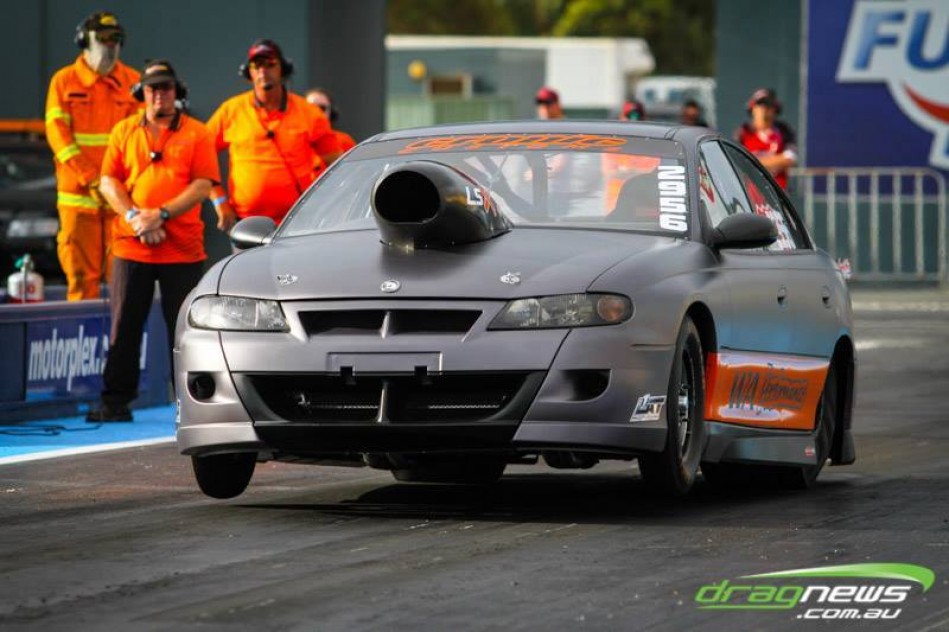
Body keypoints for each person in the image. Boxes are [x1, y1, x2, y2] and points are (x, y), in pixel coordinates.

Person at [87, 60, 221, 422]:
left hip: (181, 248)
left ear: (177, 92)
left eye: (166, 87)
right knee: (124, 327)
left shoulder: (197, 132)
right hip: (133, 244)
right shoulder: (124, 130)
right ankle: (115, 402)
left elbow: (202, 185)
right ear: (141, 93)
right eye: (152, 88)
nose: (159, 94)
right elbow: (108, 182)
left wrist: (160, 214)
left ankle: (190, 405)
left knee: (185, 331)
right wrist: (137, 218)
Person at [45, 11, 141, 300]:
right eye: (102, 38)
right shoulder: (64, 81)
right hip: (78, 199)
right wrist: (92, 178)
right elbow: (59, 137)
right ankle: (80, 329)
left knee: (122, 278)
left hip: (119, 200)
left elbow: (139, 139)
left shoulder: (133, 82)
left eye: (115, 38)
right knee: (80, 280)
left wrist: (116, 184)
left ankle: (119, 330)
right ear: (84, 41)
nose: (110, 44)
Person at [206, 39, 341, 225]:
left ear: (282, 69)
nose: (263, 71)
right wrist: (220, 201)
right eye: (257, 65)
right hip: (246, 222)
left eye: (270, 64)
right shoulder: (230, 111)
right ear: (249, 72)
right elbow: (200, 155)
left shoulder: (309, 112)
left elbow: (337, 165)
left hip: (298, 222)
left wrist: (323, 207)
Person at [733, 88, 797, 189]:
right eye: (760, 105)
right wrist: (776, 160)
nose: (764, 109)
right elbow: (737, 162)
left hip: (777, 192)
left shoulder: (784, 131)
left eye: (769, 105)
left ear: (775, 109)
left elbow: (789, 158)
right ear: (752, 108)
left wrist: (753, 162)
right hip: (750, 192)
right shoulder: (743, 133)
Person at [305, 87, 356, 153]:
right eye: (311, 107)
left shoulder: (344, 140)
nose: (316, 112)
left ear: (331, 111)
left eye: (322, 108)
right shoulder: (295, 140)